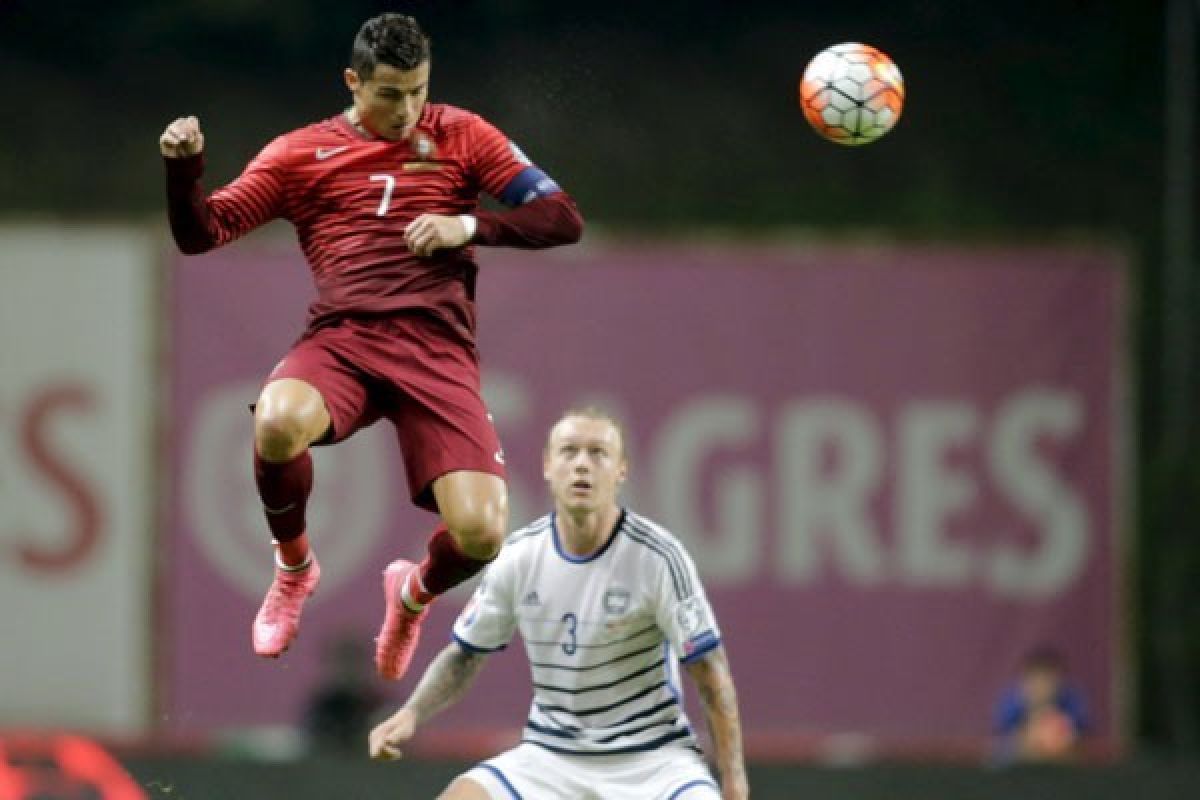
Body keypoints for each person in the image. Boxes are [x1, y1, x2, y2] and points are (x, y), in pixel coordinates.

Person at [158, 13, 583, 680]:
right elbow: (201, 233)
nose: (407, 109)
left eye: (419, 90)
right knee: (275, 421)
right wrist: (183, 173)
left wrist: (467, 224)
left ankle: (410, 594)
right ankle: (294, 569)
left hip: (437, 353)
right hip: (345, 341)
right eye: (389, 94)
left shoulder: (463, 134)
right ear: (353, 82)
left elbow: (562, 217)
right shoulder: (300, 154)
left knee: (481, 538)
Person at [369, 409, 750, 800]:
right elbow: (465, 656)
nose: (582, 464)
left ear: (621, 470)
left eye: (598, 453)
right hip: (550, 757)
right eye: (569, 452)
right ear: (548, 466)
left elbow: (709, 669)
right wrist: (411, 714)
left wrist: (734, 777)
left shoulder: (658, 558)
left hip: (653, 760)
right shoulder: (520, 555)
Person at [992, 646, 1089, 764]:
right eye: (1036, 678)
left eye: (1047, 678)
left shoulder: (1072, 701)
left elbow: (1081, 736)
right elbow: (1002, 737)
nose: (1041, 685)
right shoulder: (1012, 702)